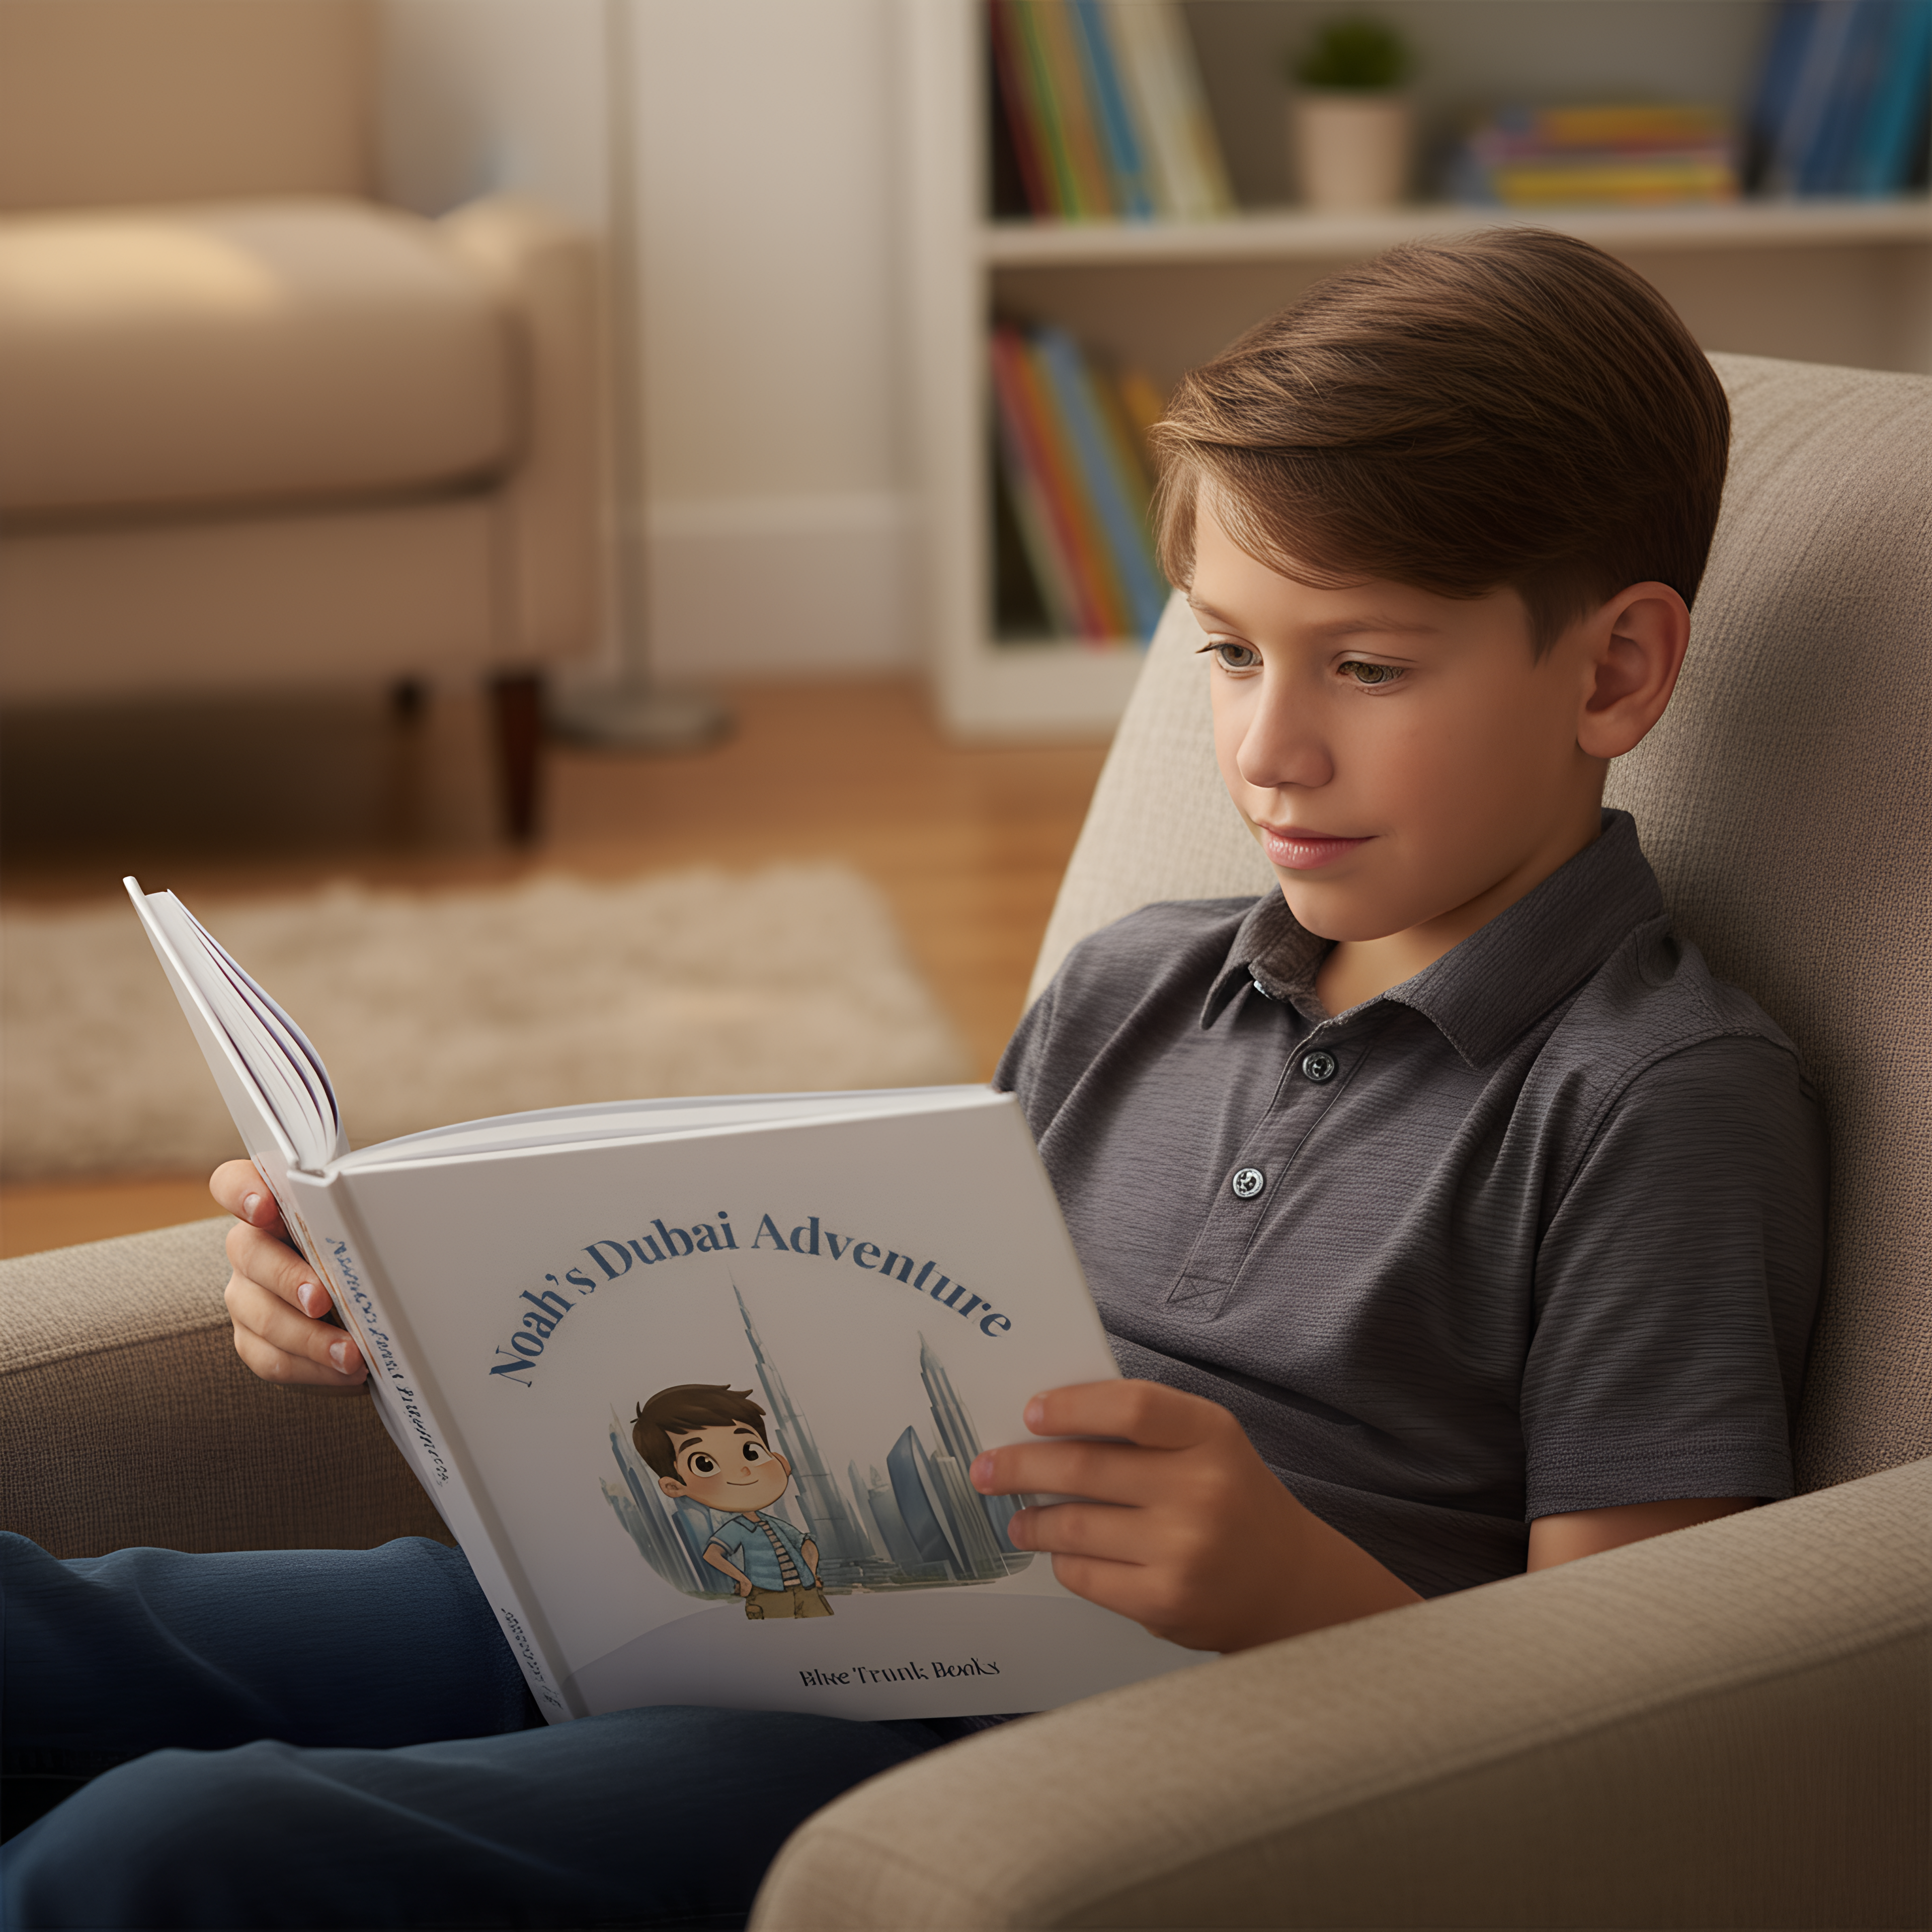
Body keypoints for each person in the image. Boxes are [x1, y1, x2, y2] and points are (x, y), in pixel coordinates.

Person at [3, 229, 1824, 1928]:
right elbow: (898, 1342)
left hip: (1022, 1746)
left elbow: (1638, 1681)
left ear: (1617, 668)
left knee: (162, 1851)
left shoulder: (1653, 1097)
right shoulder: (1137, 984)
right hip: (754, 1591)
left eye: (1364, 664)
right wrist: (389, 1306)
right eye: (1227, 650)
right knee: (48, 1635)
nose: (1268, 746)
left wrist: (1288, 1593)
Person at [634, 1382, 835, 1619]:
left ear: (781, 1462)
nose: (743, 1471)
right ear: (674, 1487)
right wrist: (742, 1579)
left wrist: (810, 1574)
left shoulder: (775, 1525)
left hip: (806, 1591)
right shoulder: (737, 1529)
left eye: (752, 1452)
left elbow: (806, 1543)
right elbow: (712, 1554)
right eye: (705, 1464)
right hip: (769, 1595)